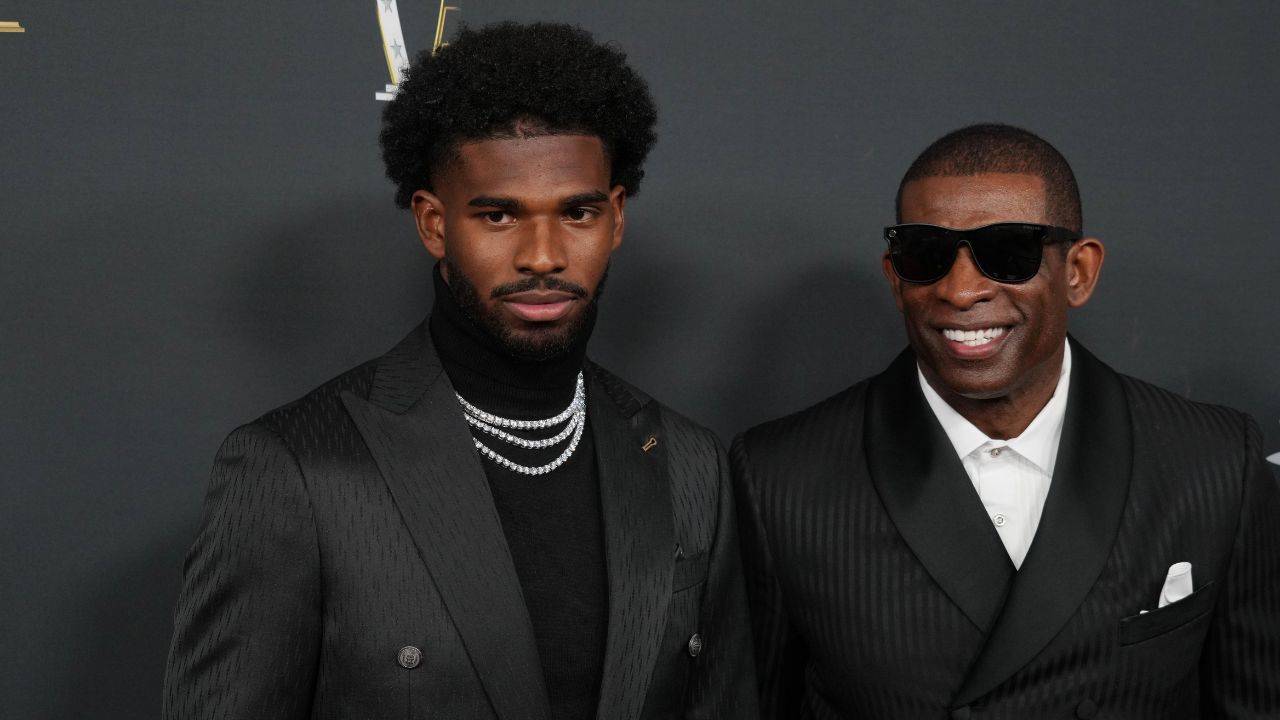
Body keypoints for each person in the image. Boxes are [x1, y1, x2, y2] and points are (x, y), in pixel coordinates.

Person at [163, 22, 756, 720]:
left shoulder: (688, 463)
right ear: (434, 224)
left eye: (577, 212)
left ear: (616, 219)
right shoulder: (294, 467)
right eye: (499, 216)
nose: (543, 255)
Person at [733, 123, 1280, 719]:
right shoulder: (780, 479)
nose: (961, 290)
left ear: (1078, 271)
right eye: (925, 254)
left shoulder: (1215, 461)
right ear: (895, 277)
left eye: (1009, 252)